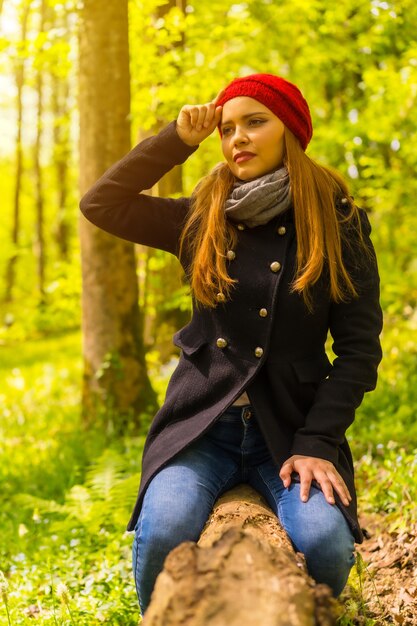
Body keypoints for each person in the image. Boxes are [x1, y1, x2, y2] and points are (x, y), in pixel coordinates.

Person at [79, 73, 383, 615]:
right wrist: (176, 141)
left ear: (290, 130)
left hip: (290, 431)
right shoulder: (200, 218)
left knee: (327, 546)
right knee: (164, 531)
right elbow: (101, 203)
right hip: (202, 428)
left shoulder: (340, 224)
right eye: (226, 128)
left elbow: (359, 352)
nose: (236, 137)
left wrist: (317, 441)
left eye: (254, 122)